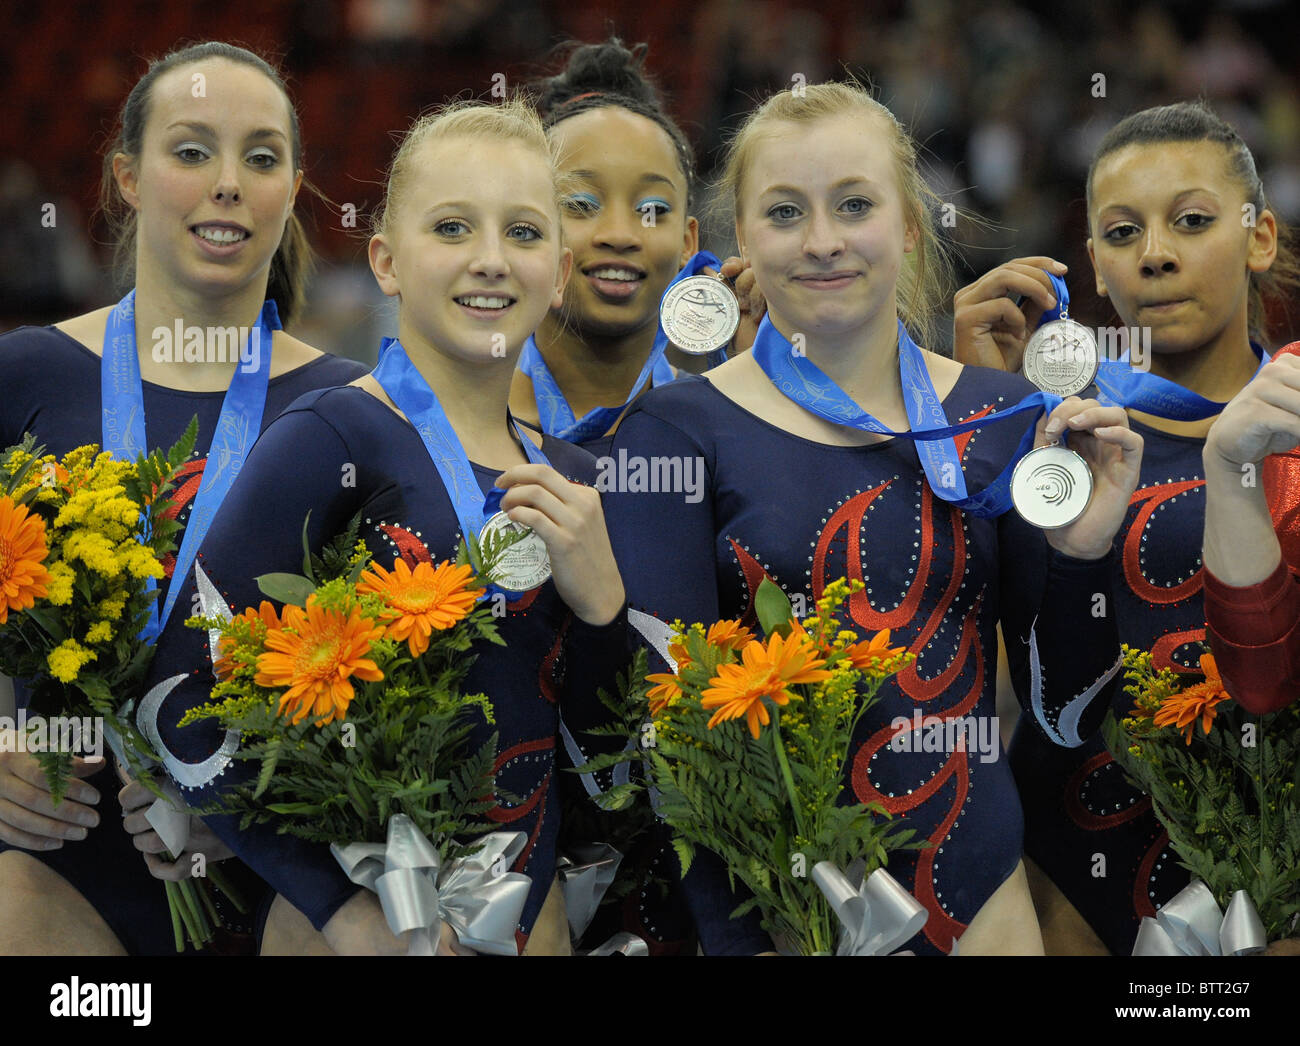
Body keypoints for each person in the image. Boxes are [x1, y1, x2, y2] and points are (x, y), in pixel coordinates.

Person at [606, 80, 1143, 955]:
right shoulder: (674, 432)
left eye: (854, 205)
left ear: (908, 223)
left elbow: (1066, 719)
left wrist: (1081, 554)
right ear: (743, 238)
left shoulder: (1004, 417)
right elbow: (679, 759)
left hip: (985, 920)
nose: (822, 242)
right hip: (784, 920)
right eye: (785, 212)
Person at [141, 98, 630, 955]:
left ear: (558, 272)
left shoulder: (574, 480)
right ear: (386, 260)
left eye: (522, 233)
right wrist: (344, 911)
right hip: (353, 933)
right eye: (451, 227)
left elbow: (608, 776)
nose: (489, 260)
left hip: (528, 924)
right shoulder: (333, 437)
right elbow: (176, 697)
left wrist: (604, 615)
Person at [0, 41, 368, 956]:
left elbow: (388, 680)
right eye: (192, 151)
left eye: (262, 157)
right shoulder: (26, 374)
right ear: (127, 176)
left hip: (283, 879)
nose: (229, 184)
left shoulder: (355, 409)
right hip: (58, 863)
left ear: (293, 187)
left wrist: (248, 806)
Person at [952, 100, 1299, 952]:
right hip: (1085, 879)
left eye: (1191, 220)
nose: (1156, 254)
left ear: (1259, 237)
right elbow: (1057, 712)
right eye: (1120, 232)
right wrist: (974, 416)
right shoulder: (1061, 441)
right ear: (1096, 271)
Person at [511, 38, 763, 455]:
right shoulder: (452, 426)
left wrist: (758, 395)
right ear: (525, 228)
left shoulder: (720, 429)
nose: (620, 234)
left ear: (688, 242)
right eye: (579, 203)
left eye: (652, 208)